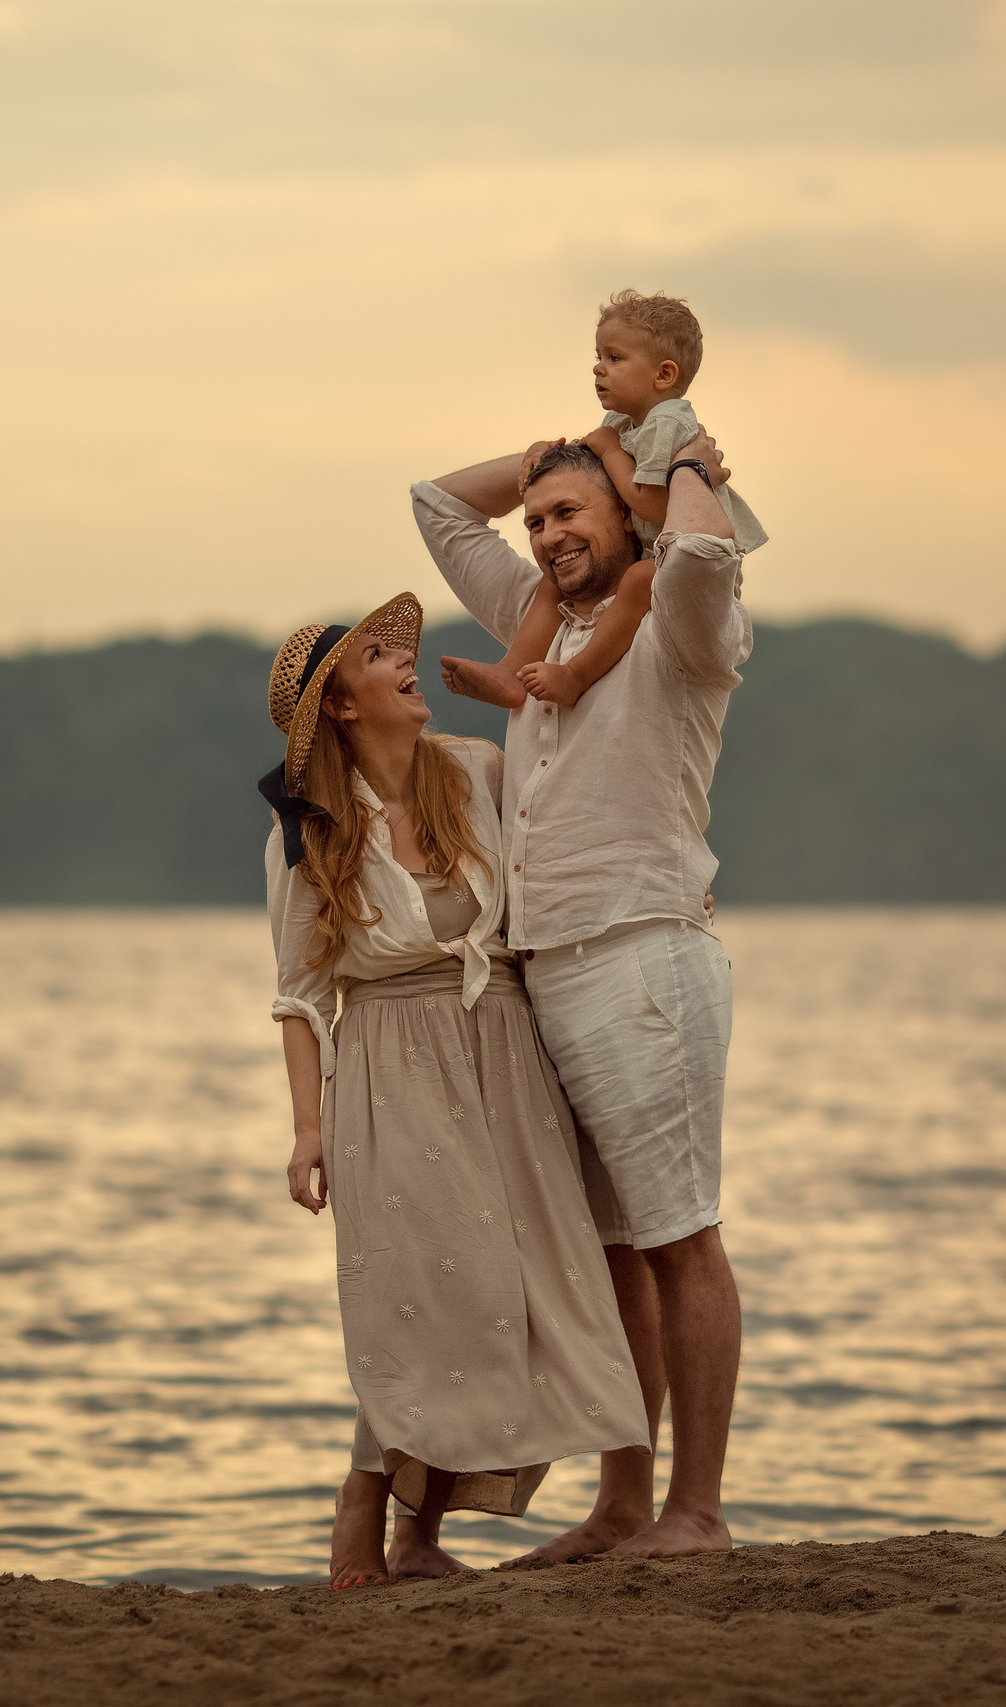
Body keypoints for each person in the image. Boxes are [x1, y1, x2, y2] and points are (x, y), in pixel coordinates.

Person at [260, 592, 653, 1588]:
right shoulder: (308, 835)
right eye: (380, 656)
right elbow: (301, 1000)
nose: (408, 662)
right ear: (341, 705)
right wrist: (304, 1133)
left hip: (505, 1052)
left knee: (501, 1297)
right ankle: (364, 1493)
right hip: (390, 1067)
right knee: (427, 1300)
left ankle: (416, 1535)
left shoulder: (476, 773)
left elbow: (578, 827)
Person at [416, 424, 750, 1561]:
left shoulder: (675, 622)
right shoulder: (541, 624)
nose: (550, 534)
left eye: (573, 517)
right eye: (539, 522)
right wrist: (570, 453)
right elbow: (435, 505)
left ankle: (694, 1513)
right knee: (613, 1248)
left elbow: (703, 559)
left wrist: (675, 467)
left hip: (642, 953)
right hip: (550, 966)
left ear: (626, 518)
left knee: (677, 1237)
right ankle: (620, 1506)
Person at [441, 291, 766, 713]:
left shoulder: (669, 422)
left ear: (664, 374)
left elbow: (651, 507)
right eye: (598, 356)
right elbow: (591, 470)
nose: (599, 368)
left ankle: (575, 675)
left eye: (615, 358)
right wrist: (544, 451)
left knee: (634, 583)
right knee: (552, 584)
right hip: (648, 553)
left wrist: (611, 451)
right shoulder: (622, 421)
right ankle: (511, 670)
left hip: (682, 563)